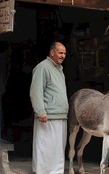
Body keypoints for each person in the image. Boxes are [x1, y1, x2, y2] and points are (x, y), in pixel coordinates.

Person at [29, 42, 69, 174]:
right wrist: (40, 111)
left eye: (64, 53)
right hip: (47, 116)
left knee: (57, 149)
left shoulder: (59, 69)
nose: (63, 56)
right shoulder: (43, 67)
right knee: (46, 147)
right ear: (52, 52)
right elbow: (36, 91)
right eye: (60, 52)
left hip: (60, 116)